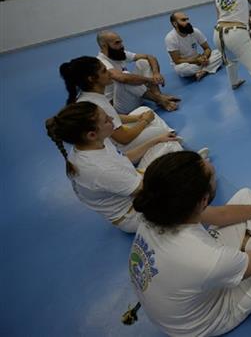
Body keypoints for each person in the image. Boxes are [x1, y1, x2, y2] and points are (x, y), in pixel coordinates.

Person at [129, 151, 251, 336]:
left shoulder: (158, 209)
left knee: (246, 196)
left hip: (185, 299)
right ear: (203, 200)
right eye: (212, 174)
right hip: (207, 320)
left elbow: (221, 215)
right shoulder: (204, 257)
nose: (212, 166)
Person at [45, 102, 185, 232]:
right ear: (91, 135)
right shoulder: (100, 170)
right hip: (134, 212)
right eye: (106, 120)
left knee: (168, 144)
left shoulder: (93, 142)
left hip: (134, 179)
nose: (112, 118)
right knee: (183, 187)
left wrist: (157, 140)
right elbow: (143, 190)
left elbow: (124, 158)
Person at [60, 56, 177, 153]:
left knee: (144, 110)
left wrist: (138, 118)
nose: (110, 73)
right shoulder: (96, 104)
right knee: (159, 131)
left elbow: (114, 117)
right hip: (117, 148)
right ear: (92, 79)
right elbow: (124, 138)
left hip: (111, 136)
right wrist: (145, 121)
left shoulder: (90, 96)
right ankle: (167, 136)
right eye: (104, 71)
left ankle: (164, 135)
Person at [96, 30, 180, 113]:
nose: (122, 45)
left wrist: (156, 74)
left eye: (121, 42)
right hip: (120, 106)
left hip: (133, 95)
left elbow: (150, 57)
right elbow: (123, 78)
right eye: (117, 43)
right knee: (125, 77)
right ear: (104, 46)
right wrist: (150, 80)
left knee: (143, 62)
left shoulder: (117, 53)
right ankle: (159, 99)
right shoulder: (101, 62)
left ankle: (158, 95)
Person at [165, 11, 222, 81]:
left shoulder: (195, 31)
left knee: (219, 53)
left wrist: (204, 57)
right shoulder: (170, 38)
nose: (187, 22)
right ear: (175, 24)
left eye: (187, 19)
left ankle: (203, 72)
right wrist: (196, 61)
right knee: (181, 69)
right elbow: (177, 60)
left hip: (199, 59)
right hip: (186, 63)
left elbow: (207, 48)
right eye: (183, 20)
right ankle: (207, 68)